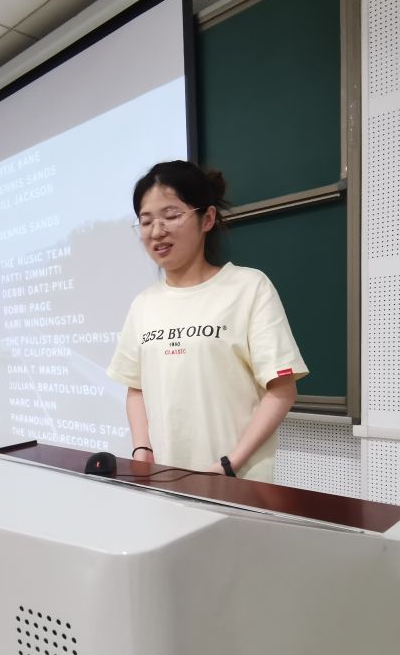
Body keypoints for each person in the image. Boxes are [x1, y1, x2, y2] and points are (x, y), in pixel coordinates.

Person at [107, 160, 308, 482]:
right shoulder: (144, 304)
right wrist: (142, 450)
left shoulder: (248, 287)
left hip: (236, 481)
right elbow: (136, 387)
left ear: (208, 218)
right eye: (146, 221)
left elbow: (282, 391)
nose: (157, 231)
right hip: (164, 481)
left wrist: (229, 464)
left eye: (171, 215)